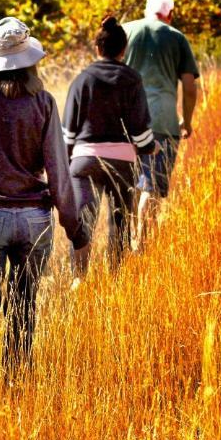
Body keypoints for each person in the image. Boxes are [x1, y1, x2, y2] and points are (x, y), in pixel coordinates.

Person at [0, 17, 88, 383]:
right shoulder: (43, 102)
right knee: (24, 309)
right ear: (30, 61)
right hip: (33, 221)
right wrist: (75, 228)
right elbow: (58, 170)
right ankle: (15, 385)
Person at [63, 15, 156, 278]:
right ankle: (115, 279)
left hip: (84, 160)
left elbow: (68, 132)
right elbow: (140, 132)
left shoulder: (82, 79)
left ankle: (78, 279)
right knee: (120, 221)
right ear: (123, 49)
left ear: (97, 48)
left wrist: (64, 163)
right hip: (121, 161)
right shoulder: (132, 79)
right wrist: (150, 147)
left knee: (84, 222)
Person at [123, 0, 200, 250]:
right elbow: (189, 87)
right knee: (151, 185)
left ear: (146, 9)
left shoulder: (125, 31)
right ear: (171, 13)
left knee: (130, 183)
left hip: (124, 120)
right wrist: (186, 121)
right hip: (163, 121)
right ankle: (142, 245)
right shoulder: (177, 38)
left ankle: (128, 236)